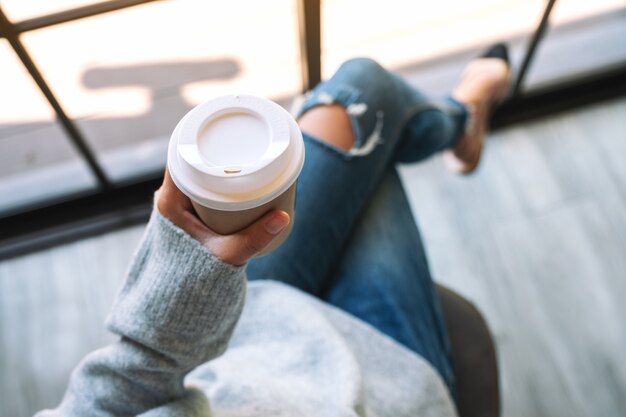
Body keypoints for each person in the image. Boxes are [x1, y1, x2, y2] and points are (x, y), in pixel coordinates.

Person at [35, 44, 510, 417]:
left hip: (242, 351)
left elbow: (112, 396)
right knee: (367, 125)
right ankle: (459, 120)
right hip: (381, 386)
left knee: (357, 94)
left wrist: (185, 278)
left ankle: (456, 122)